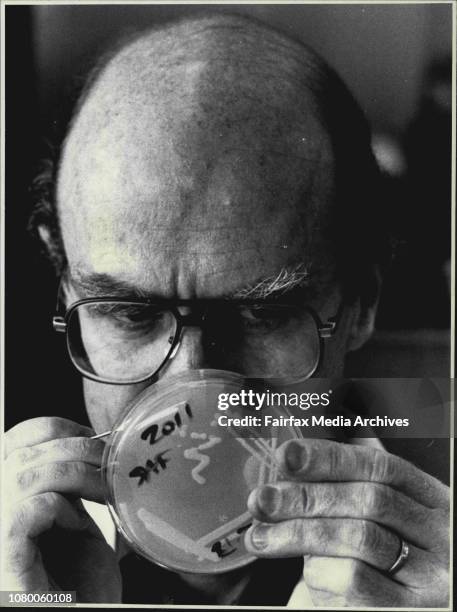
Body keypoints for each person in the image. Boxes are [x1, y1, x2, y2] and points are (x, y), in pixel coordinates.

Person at [3, 13, 449, 607]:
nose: (192, 387)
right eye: (130, 312)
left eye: (260, 315)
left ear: (362, 300)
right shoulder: (23, 554)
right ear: (62, 284)